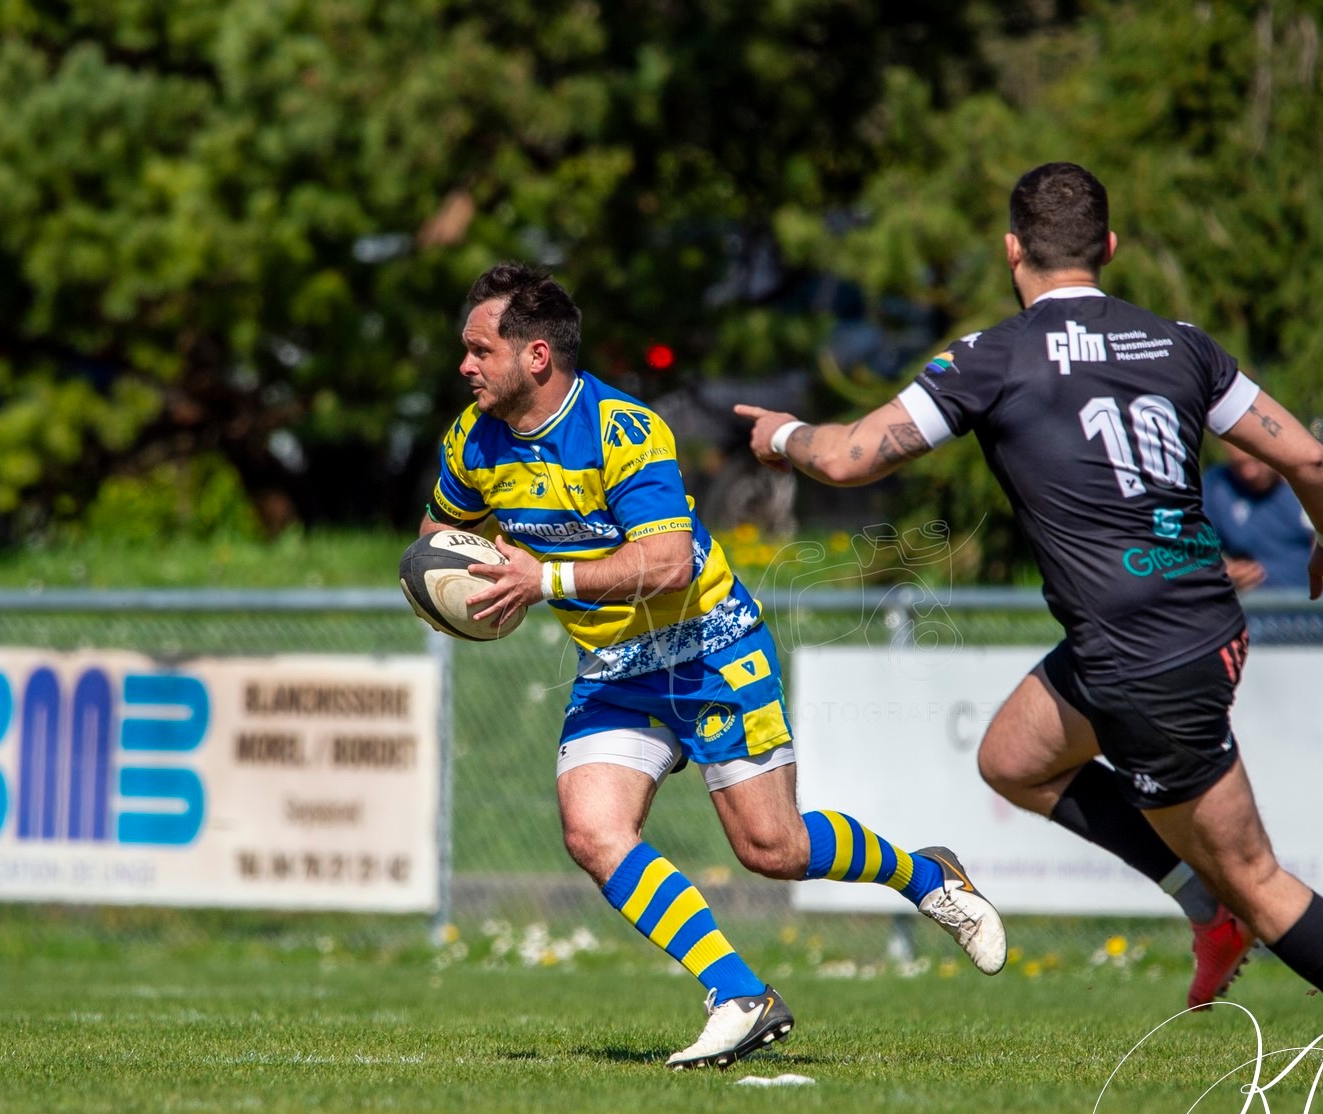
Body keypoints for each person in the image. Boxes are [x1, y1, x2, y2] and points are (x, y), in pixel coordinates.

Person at [735, 163, 1323, 1098]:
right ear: (1110, 249)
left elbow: (845, 457)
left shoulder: (991, 357)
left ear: (1013, 252)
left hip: (1143, 653)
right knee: (1013, 756)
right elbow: (1309, 456)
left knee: (1254, 873)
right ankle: (1203, 906)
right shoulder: (1181, 345)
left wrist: (782, 436)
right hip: (1183, 624)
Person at [420, 262, 1006, 1071]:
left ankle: (927, 876)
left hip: (709, 647)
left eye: (480, 350)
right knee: (593, 831)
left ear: (538, 357)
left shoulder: (624, 432)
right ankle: (739, 995)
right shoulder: (471, 440)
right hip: (615, 664)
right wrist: (464, 588)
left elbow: (664, 563)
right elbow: (437, 542)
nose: (465, 366)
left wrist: (543, 577)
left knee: (773, 850)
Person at [1202, 439, 1312, 592]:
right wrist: (1222, 571)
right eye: (1238, 464)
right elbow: (1194, 552)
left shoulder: (1308, 485)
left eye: (1256, 461)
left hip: (1315, 608)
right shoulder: (1217, 486)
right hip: (1253, 609)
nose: (1249, 473)